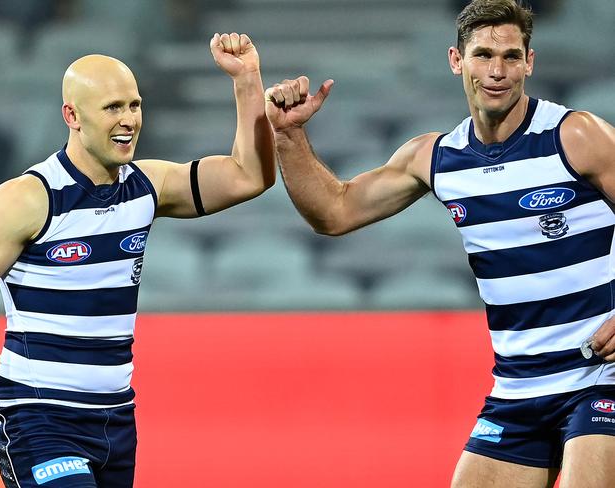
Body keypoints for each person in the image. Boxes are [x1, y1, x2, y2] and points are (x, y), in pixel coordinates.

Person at [264, 0, 615, 486]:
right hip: (516, 389)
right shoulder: (435, 157)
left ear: (530, 63)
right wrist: (288, 134)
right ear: (456, 60)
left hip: (598, 376)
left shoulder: (576, 136)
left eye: (512, 57)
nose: (497, 71)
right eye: (483, 55)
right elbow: (333, 212)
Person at [0, 32, 274, 487]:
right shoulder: (30, 199)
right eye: (113, 107)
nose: (129, 119)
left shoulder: (148, 185)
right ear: (72, 115)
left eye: (134, 104)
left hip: (116, 422)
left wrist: (247, 79)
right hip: (39, 420)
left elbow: (250, 176)